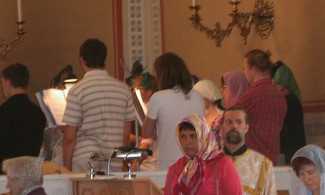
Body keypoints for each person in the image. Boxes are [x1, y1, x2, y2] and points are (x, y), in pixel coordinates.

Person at [62, 39, 135, 172]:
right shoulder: (124, 89)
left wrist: (66, 168)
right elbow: (125, 135)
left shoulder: (77, 91)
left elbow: (69, 137)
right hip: (115, 160)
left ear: (82, 60)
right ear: (104, 60)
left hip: (86, 159)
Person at [140, 53, 205, 171]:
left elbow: (146, 133)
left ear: (162, 75)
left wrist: (157, 129)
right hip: (195, 162)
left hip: (170, 162)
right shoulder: (198, 96)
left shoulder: (159, 97)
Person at [234, 50, 287, 165]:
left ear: (253, 70)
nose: (244, 73)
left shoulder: (251, 96)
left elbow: (228, 122)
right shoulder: (280, 96)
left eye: (244, 68)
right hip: (272, 159)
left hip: (251, 161)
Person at [0, 63, 46, 169]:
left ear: (8, 82)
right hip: (30, 173)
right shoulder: (38, 113)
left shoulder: (3, 112)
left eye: (2, 83)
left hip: (6, 175)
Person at [271, 62, 306, 165]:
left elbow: (287, 130)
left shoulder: (288, 101)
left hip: (289, 151)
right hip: (294, 150)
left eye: (280, 88)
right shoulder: (293, 100)